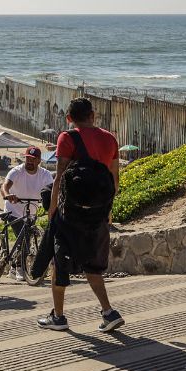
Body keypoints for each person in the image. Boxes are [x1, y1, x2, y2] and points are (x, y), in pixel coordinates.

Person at [38, 98, 124, 332]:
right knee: (93, 266)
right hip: (98, 214)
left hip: (71, 216)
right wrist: (107, 211)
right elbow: (114, 180)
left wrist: (52, 211)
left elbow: (59, 179)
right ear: (93, 115)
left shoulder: (67, 137)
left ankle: (58, 317)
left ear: (69, 119)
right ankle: (108, 312)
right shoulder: (110, 138)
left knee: (59, 261)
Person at [0, 146, 53, 281]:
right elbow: (4, 186)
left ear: (39, 161)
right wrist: (8, 195)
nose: (29, 161)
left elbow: (52, 190)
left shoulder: (45, 174)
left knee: (27, 238)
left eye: (33, 159)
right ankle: (19, 268)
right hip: (14, 210)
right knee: (24, 239)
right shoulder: (17, 171)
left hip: (31, 211)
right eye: (28, 158)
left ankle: (13, 267)